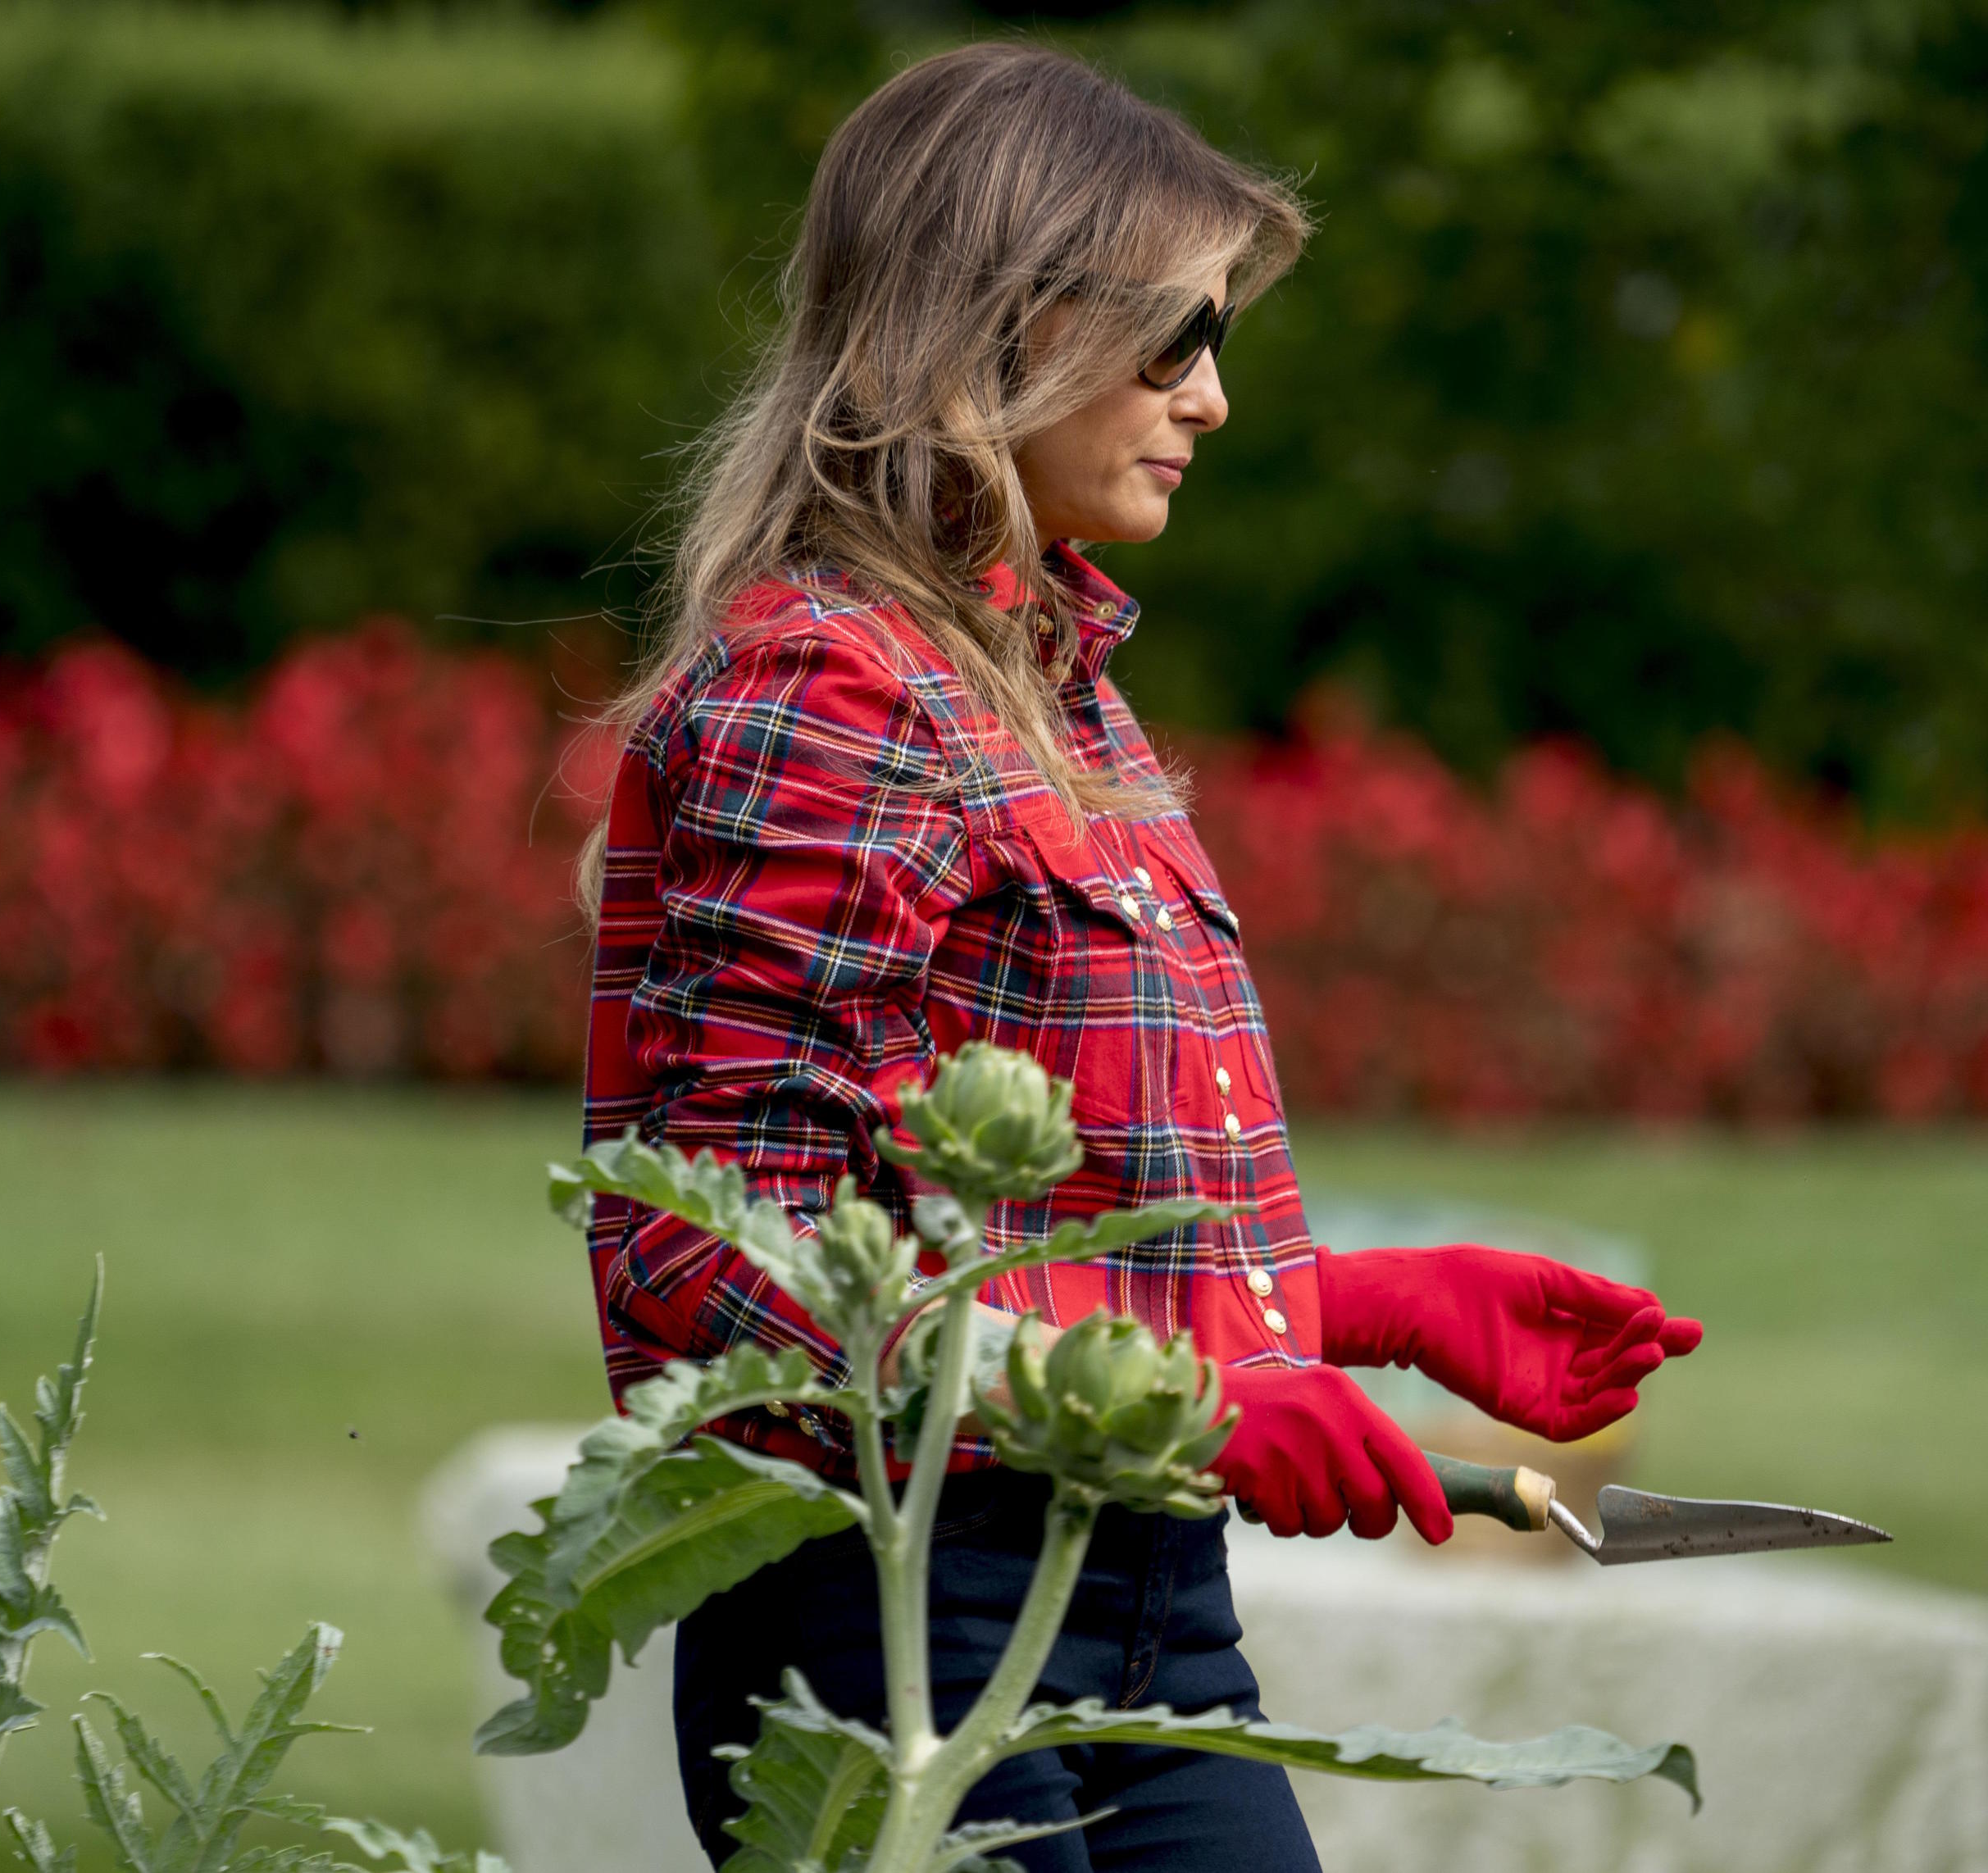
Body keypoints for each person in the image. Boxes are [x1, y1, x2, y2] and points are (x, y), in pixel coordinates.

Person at [574, 41, 1704, 1873]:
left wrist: (1355, 1303)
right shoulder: (832, 688)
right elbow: (725, 1268)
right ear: (998, 331)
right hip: (895, 1628)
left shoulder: (1051, 697)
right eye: (1176, 339)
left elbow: (1018, 1245)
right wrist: (1200, 1398)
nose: (1215, 399)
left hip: (1145, 1613)